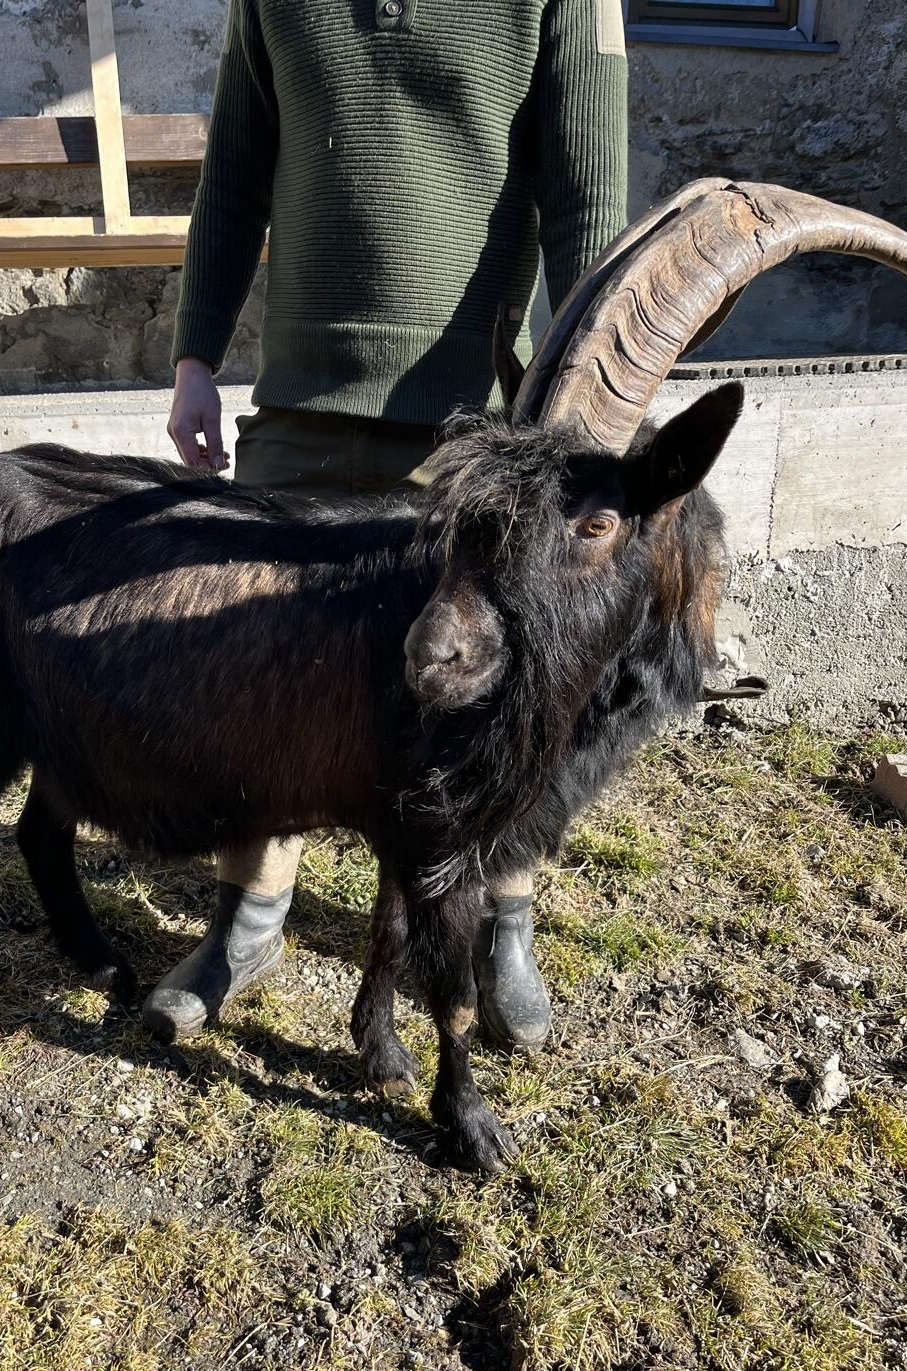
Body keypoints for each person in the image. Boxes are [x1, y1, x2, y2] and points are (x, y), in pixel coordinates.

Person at [145, 0, 628, 1050]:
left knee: (495, 694)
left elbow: (587, 197)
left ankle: (500, 921)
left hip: (478, 427)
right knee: (266, 678)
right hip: (300, 409)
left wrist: (585, 422)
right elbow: (235, 171)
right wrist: (195, 358)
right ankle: (249, 918)